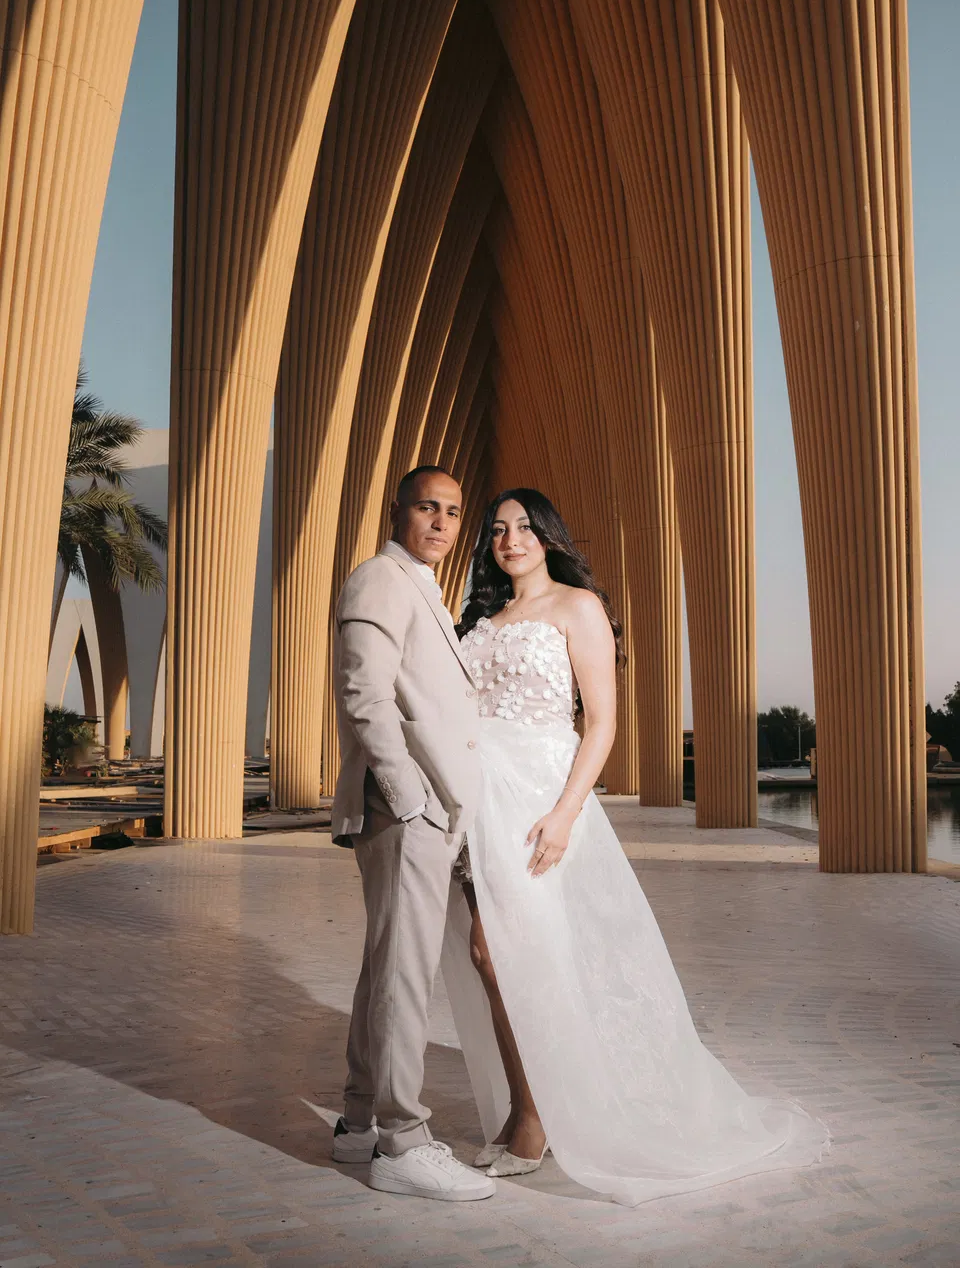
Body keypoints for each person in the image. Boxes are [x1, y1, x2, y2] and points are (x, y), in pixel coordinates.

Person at [440, 488, 829, 1205]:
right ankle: (529, 1107)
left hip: (536, 803)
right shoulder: (483, 619)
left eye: (524, 527)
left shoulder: (577, 608)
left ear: (549, 536)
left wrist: (565, 813)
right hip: (478, 805)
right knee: (493, 961)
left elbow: (602, 723)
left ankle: (536, 1118)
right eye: (496, 529)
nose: (510, 539)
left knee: (505, 953)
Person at [330, 465, 495, 1202]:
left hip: (420, 806)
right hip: (406, 807)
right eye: (427, 507)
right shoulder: (381, 578)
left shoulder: (421, 588)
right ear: (396, 510)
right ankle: (402, 1143)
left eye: (453, 512)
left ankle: (358, 1121)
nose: (441, 523)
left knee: (386, 965)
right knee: (404, 970)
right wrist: (411, 798)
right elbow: (363, 693)